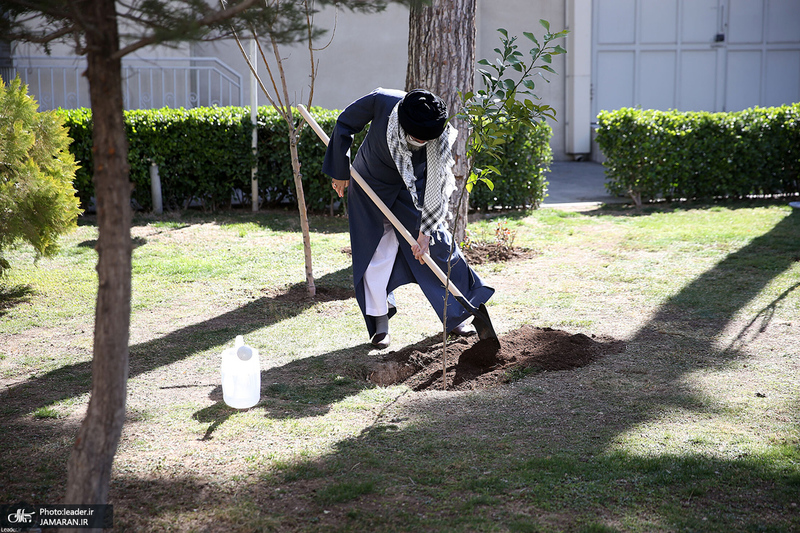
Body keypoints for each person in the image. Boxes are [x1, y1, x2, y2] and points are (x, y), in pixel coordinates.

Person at [323, 87, 494, 348]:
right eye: (416, 138)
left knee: (438, 246)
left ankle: (461, 310)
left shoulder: (438, 132)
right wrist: (339, 170)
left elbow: (436, 184)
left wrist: (425, 234)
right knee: (376, 251)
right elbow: (345, 123)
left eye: (426, 140)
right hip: (369, 182)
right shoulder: (382, 101)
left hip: (413, 188)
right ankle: (380, 323)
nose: (421, 143)